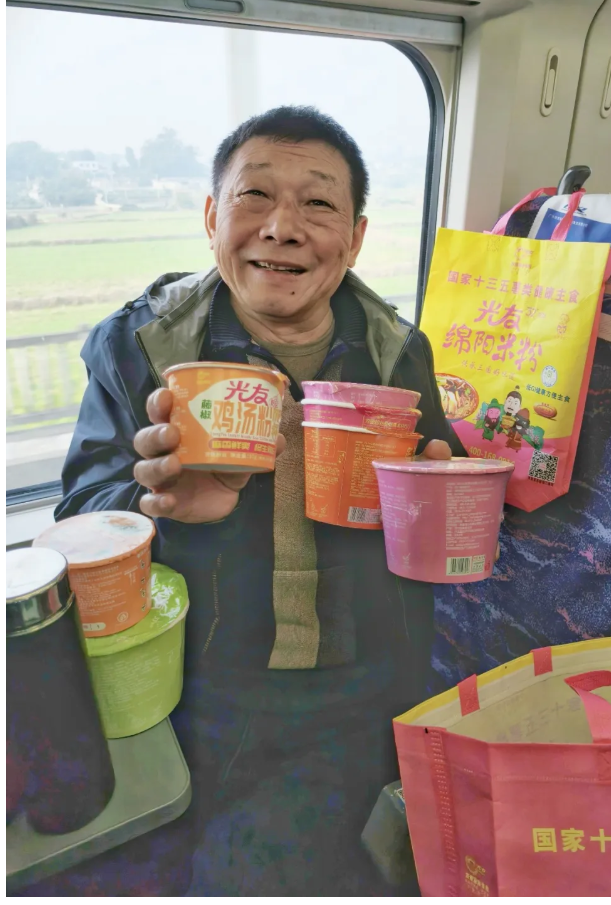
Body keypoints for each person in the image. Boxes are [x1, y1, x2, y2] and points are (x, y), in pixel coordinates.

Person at [41, 106, 468, 897]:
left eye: (318, 203)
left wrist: (442, 494)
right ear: (213, 217)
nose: (282, 227)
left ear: (355, 238)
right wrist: (157, 507)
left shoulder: (398, 352)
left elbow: (435, 485)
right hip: (198, 682)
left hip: (362, 678)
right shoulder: (139, 348)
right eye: (255, 196)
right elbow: (81, 518)